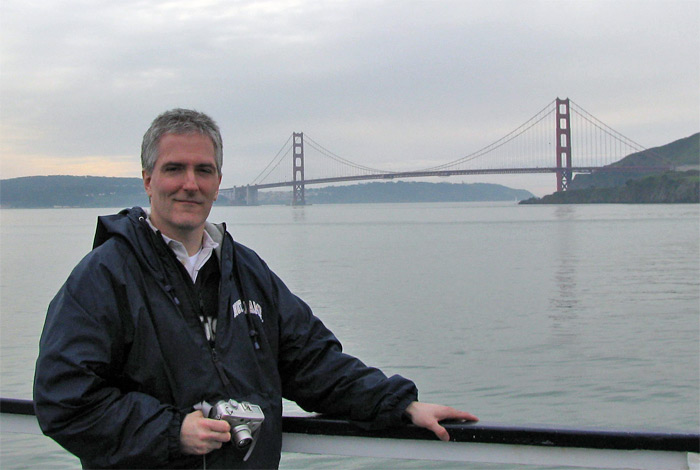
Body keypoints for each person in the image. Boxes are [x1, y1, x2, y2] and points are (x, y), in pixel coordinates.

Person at [33, 108, 478, 469]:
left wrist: (400, 404)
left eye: (204, 170)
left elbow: (312, 360)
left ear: (218, 183)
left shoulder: (246, 270)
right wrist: (172, 432)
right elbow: (63, 399)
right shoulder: (103, 277)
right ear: (148, 180)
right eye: (175, 169)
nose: (191, 183)